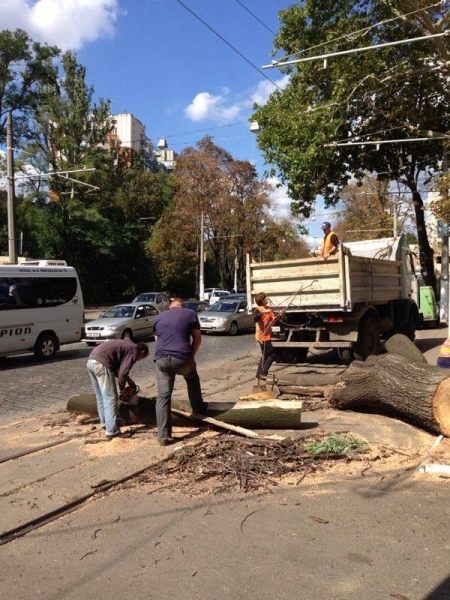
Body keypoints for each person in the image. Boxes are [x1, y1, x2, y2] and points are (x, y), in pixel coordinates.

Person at [153, 297, 208, 446]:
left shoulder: (159, 317)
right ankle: (198, 408)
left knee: (163, 396)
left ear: (171, 307)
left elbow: (157, 341)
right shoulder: (190, 313)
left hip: (161, 360)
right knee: (191, 376)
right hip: (182, 358)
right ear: (182, 307)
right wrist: (190, 356)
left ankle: (164, 436)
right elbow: (197, 339)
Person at [87, 339, 149, 440]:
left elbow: (117, 370)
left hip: (91, 360)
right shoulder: (134, 351)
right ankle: (112, 431)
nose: (139, 360)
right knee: (110, 398)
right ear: (142, 352)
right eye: (142, 357)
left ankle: (105, 422)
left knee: (101, 396)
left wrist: (129, 381)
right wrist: (122, 389)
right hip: (101, 363)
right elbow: (122, 372)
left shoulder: (127, 345)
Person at [254, 292, 282, 381]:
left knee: (265, 355)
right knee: (272, 354)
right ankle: (263, 373)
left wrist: (280, 315)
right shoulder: (258, 310)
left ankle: (258, 375)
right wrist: (263, 312)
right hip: (261, 337)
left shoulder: (269, 309)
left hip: (267, 336)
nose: (267, 299)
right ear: (262, 300)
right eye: (266, 298)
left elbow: (274, 320)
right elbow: (255, 318)